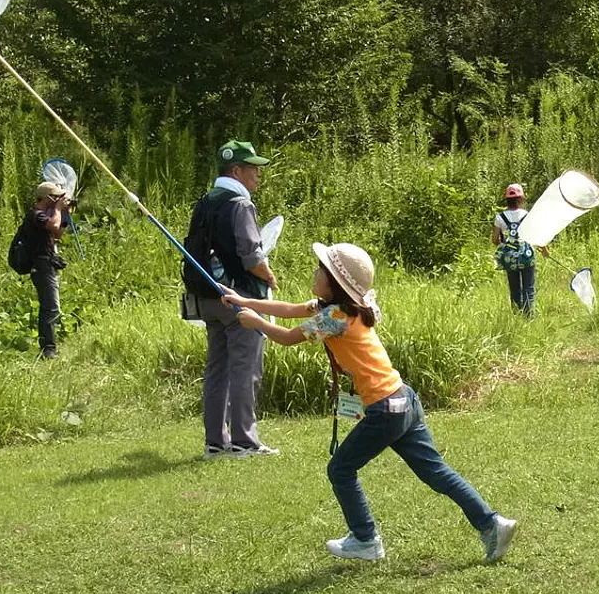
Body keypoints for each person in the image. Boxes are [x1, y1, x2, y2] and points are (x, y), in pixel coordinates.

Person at [223, 242, 519, 563]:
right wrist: (243, 301)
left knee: (340, 469)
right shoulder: (343, 307)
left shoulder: (335, 316)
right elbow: (290, 308)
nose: (315, 272)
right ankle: (492, 524)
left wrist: (256, 323)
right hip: (403, 399)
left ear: (335, 282)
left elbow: (287, 337)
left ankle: (366, 540)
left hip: (384, 408)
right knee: (435, 472)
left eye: (321, 270)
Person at [184, 140, 279, 460]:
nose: (258, 175)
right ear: (236, 170)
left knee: (217, 369)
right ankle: (244, 442)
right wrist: (268, 275)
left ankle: (216, 442)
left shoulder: (205, 201)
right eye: (253, 169)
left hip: (207, 296)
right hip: (240, 298)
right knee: (244, 368)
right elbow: (252, 257)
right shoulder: (240, 204)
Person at [23, 180, 72, 359]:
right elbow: (52, 225)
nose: (58, 199)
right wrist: (58, 209)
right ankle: (48, 349)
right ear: (47, 197)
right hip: (41, 265)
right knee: (51, 308)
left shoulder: (47, 215)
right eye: (56, 197)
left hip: (48, 264)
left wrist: (65, 214)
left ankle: (49, 348)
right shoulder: (36, 214)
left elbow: (57, 232)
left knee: (51, 307)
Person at [491, 183, 548, 315]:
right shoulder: (527, 215)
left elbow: (495, 240)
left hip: (509, 257)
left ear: (507, 199)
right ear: (521, 199)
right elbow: (536, 235)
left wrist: (504, 244)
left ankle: (517, 316)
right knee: (529, 287)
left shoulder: (500, 217)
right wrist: (544, 249)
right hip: (527, 255)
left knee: (515, 289)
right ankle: (529, 317)